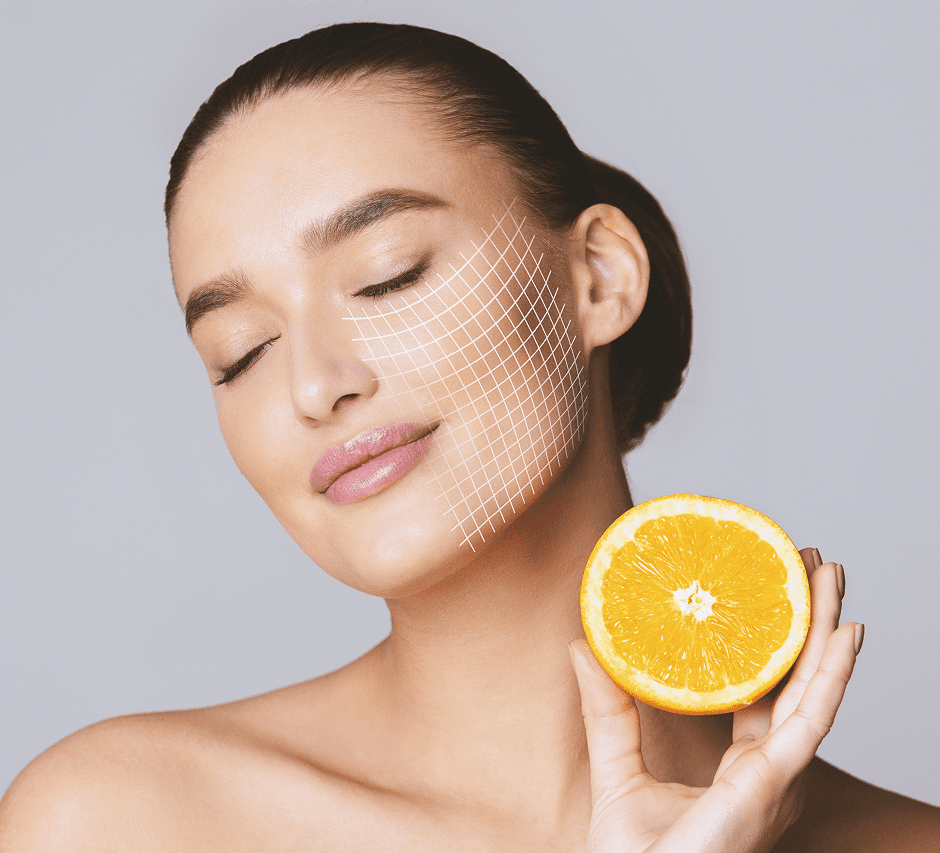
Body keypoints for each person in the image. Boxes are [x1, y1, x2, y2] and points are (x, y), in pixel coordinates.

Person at [1, 21, 937, 852]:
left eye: (386, 276)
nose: (317, 385)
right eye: (240, 352)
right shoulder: (120, 823)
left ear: (600, 278)